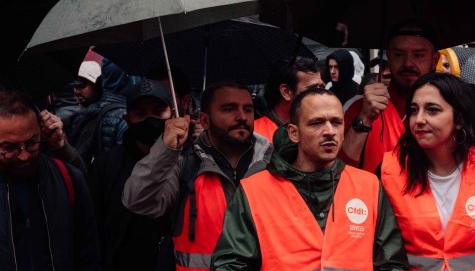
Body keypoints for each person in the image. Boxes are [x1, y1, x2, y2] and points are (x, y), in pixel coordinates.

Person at [211, 88, 409, 270]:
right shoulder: (254, 191)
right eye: (317, 123)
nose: (330, 131)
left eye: (336, 122)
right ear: (294, 133)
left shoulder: (369, 186)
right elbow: (230, 265)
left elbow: (392, 263)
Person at [122, 82, 273, 271]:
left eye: (248, 109)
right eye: (229, 109)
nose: (242, 117)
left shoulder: (274, 164)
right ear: (205, 120)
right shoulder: (186, 164)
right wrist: (165, 149)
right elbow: (137, 200)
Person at [381, 73, 475, 270]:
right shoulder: (389, 170)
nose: (419, 119)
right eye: (414, 110)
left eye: (432, 110)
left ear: (458, 119)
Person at [0, 90, 100, 270]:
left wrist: (61, 146)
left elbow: (88, 255)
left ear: (41, 131)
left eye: (31, 143)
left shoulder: (67, 178)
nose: (23, 156)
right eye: (9, 148)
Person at [89, 80, 174, 271]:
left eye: (158, 111)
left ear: (172, 114)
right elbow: (93, 225)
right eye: (140, 113)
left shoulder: (186, 160)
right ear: (127, 118)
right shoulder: (107, 165)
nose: (150, 119)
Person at [342, 20, 440, 172]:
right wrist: (365, 118)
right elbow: (341, 170)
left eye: (418, 55)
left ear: (434, 60)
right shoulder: (359, 106)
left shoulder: (450, 108)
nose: (408, 63)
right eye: (399, 54)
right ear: (388, 56)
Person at [68, 61, 127, 167]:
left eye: (82, 84)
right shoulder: (81, 115)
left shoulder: (118, 114)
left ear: (97, 84)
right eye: (74, 85)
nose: (76, 91)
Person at [254, 56, 324, 141]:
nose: (321, 94)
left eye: (321, 87)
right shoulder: (256, 134)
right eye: (312, 89)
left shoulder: (325, 127)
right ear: (286, 92)